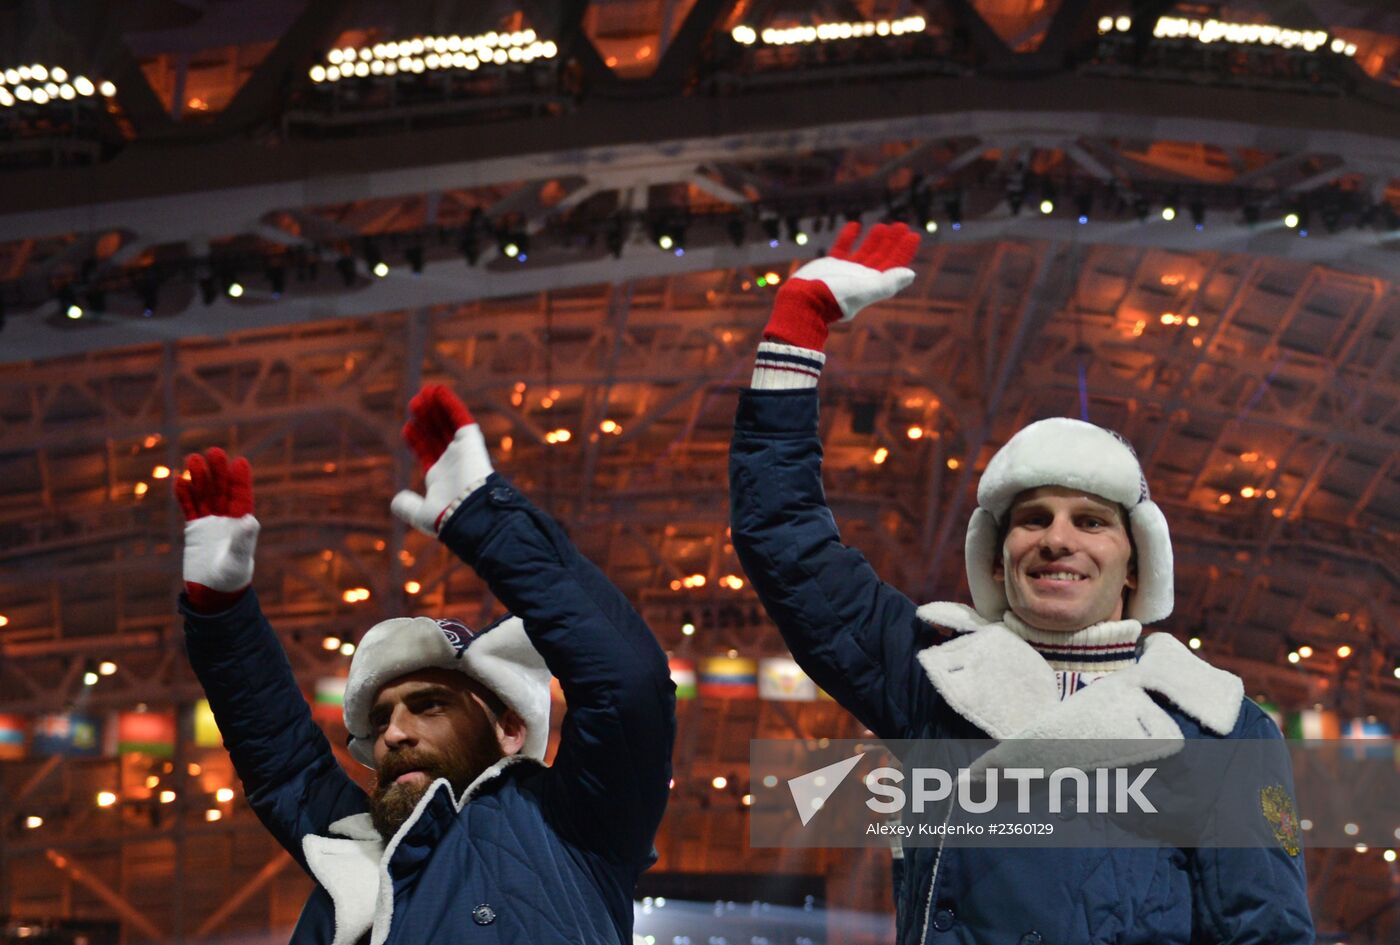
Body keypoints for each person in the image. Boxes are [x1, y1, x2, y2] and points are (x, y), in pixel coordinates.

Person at [729, 222, 1314, 943]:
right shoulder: (932, 681)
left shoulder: (1221, 725)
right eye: (1031, 518)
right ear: (998, 553)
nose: (1057, 538)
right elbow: (786, 543)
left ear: (1136, 562)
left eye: (1090, 521)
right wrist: (798, 331)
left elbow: (1267, 931)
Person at [177, 384, 675, 945]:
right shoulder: (356, 843)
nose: (392, 732)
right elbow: (283, 762)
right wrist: (222, 615)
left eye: (428, 705)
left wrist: (489, 521)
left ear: (510, 728)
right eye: (382, 716)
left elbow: (628, 687)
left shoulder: (575, 828)